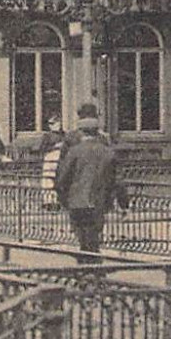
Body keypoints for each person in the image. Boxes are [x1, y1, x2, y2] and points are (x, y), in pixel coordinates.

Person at [53, 102, 127, 260]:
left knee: (82, 240)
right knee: (93, 239)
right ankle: (92, 270)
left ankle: (86, 271)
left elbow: (61, 177)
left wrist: (64, 199)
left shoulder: (73, 148)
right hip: (98, 201)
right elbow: (118, 179)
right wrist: (123, 203)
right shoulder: (107, 150)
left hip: (76, 201)